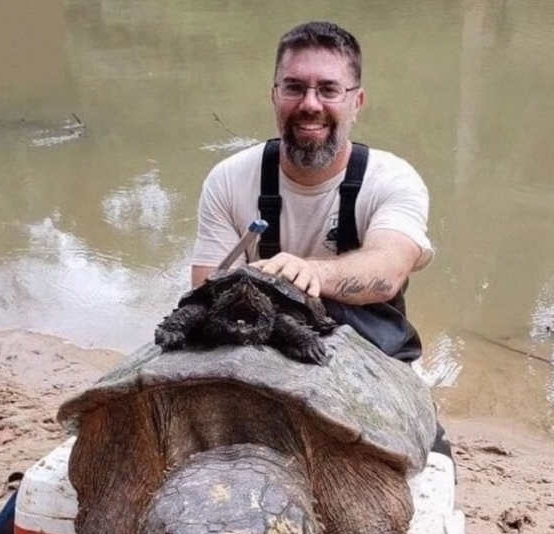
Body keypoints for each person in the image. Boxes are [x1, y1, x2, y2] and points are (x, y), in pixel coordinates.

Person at [191, 20, 452, 458]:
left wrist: (306, 272)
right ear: (274, 95)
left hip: (373, 375)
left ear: (357, 101)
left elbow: (387, 272)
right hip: (256, 371)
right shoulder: (228, 180)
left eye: (329, 89)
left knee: (432, 463)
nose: (310, 104)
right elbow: (202, 291)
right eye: (294, 87)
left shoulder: (393, 179)